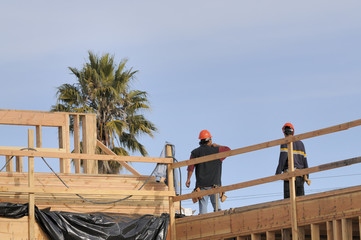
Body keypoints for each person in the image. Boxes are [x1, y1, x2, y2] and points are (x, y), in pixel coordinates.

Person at [185, 129, 231, 214]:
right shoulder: (217, 150)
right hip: (214, 185)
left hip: (201, 186)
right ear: (209, 140)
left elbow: (190, 167)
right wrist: (217, 145)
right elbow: (228, 150)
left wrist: (188, 179)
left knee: (203, 211)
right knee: (217, 210)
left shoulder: (195, 152)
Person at [275, 123, 309, 199]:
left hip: (289, 176)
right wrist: (307, 175)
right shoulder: (301, 144)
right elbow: (305, 161)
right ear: (293, 132)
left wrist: (278, 173)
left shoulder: (285, 142)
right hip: (300, 176)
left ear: (284, 132)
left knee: (288, 202)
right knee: (301, 202)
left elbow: (282, 159)